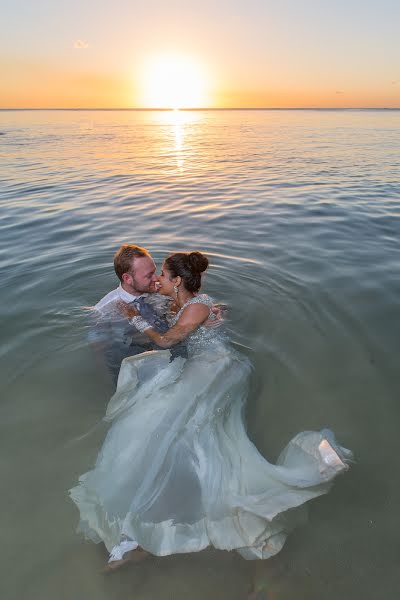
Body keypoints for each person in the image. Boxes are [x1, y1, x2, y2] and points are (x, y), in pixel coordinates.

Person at [70, 251, 352, 570]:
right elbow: (184, 323)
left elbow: (166, 340)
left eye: (161, 273)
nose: (157, 278)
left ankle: (153, 526)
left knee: (182, 433)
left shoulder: (197, 305)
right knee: (161, 426)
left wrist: (135, 317)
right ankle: (143, 525)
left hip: (219, 370)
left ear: (177, 281)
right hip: (198, 367)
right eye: (152, 274)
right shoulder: (188, 302)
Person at [88, 244, 218, 383]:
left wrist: (211, 313)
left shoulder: (162, 292)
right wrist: (107, 381)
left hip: (187, 358)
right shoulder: (104, 309)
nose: (156, 279)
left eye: (157, 272)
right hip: (140, 366)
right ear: (127, 279)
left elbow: (191, 302)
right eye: (149, 275)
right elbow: (99, 351)